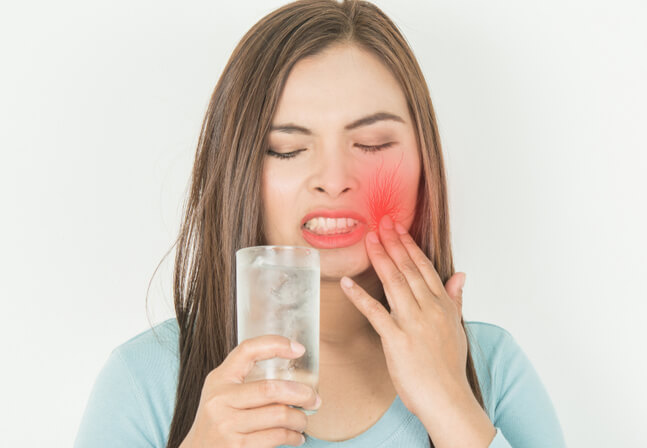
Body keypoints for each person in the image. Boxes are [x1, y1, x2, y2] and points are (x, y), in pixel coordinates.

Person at [74, 1, 566, 447]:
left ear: (425, 165)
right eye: (286, 149)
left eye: (372, 143)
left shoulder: (491, 367)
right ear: (239, 170)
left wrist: (454, 410)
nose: (333, 180)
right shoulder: (144, 381)